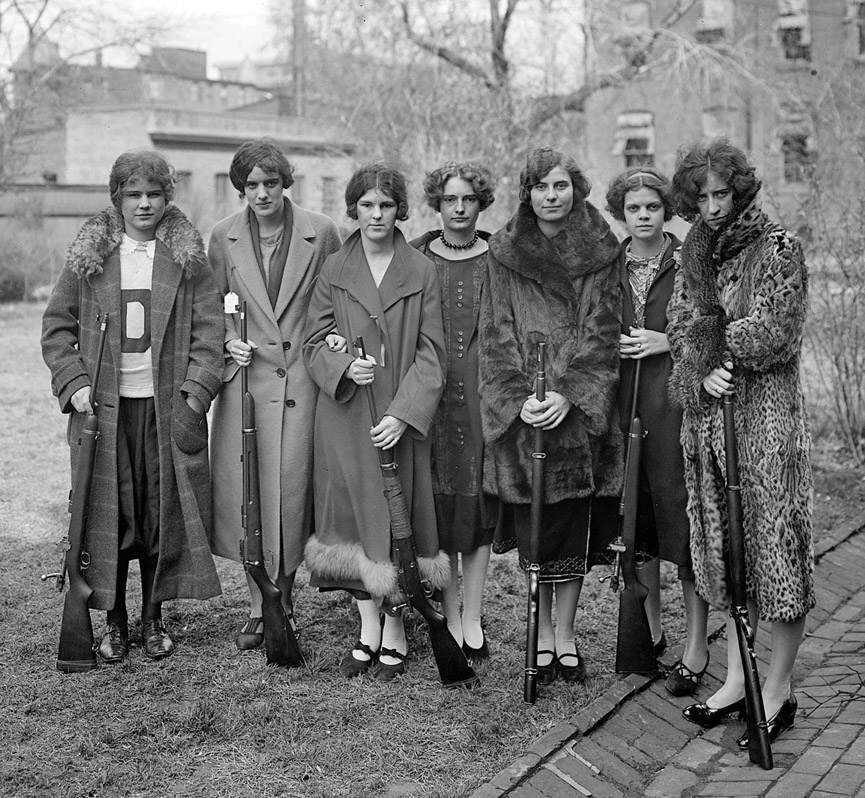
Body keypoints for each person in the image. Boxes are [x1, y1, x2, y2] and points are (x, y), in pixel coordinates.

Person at [41, 149, 224, 663]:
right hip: (104, 412)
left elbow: (211, 332)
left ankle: (152, 619)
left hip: (165, 411)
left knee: (156, 513)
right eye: (133, 195)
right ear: (116, 199)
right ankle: (115, 621)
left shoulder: (185, 258)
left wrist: (194, 393)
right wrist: (74, 382)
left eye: (154, 194)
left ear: (168, 197)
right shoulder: (91, 257)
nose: (144, 204)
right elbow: (56, 328)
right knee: (112, 513)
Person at [667, 139, 813, 747]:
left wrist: (717, 342)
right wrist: (699, 368)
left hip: (765, 427)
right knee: (726, 555)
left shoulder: (778, 247)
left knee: (776, 551)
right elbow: (678, 322)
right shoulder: (693, 253)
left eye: (721, 194)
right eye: (700, 197)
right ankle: (735, 678)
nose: (712, 207)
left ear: (742, 190)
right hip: (708, 425)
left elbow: (777, 330)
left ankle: (776, 688)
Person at [479, 147, 623, 686]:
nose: (551, 196)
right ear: (527, 193)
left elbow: (604, 329)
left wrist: (571, 393)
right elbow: (494, 333)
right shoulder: (504, 251)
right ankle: (539, 635)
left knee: (575, 533)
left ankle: (566, 635)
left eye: (561, 186)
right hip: (526, 414)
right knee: (538, 533)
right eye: (541, 187)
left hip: (578, 416)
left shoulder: (601, 248)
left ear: (576, 189)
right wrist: (520, 397)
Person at [303, 163, 447, 681]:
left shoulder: (421, 271)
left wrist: (405, 414)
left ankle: (398, 630)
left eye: (386, 205)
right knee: (354, 521)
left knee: (397, 520)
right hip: (346, 417)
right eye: (367, 205)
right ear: (354, 210)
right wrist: (344, 364)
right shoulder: (335, 269)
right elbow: (313, 342)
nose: (377, 214)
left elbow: (433, 356)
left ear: (400, 210)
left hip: (398, 420)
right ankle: (367, 629)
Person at [208, 139, 342, 650]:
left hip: (304, 386)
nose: (260, 193)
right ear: (240, 188)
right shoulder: (222, 236)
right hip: (246, 384)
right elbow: (207, 307)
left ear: (286, 181)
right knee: (249, 495)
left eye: (269, 182)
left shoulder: (323, 231)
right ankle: (255, 603)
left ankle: (282, 602)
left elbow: (338, 299)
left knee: (289, 494)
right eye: (250, 185)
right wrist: (227, 340)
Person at [605, 166, 710, 695]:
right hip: (624, 411)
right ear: (620, 214)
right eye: (633, 209)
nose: (643, 216)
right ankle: (647, 631)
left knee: (683, 527)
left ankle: (697, 644)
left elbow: (711, 324)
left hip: (675, 410)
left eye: (651, 207)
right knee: (635, 527)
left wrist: (665, 340)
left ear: (665, 210)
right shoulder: (610, 265)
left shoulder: (690, 259)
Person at [410, 162, 499, 661]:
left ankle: (473, 614)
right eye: (450, 200)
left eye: (468, 199)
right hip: (431, 397)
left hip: (483, 397)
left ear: (480, 202)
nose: (460, 208)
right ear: (437, 204)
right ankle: (446, 606)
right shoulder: (418, 256)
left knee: (478, 506)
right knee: (439, 505)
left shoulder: (500, 258)